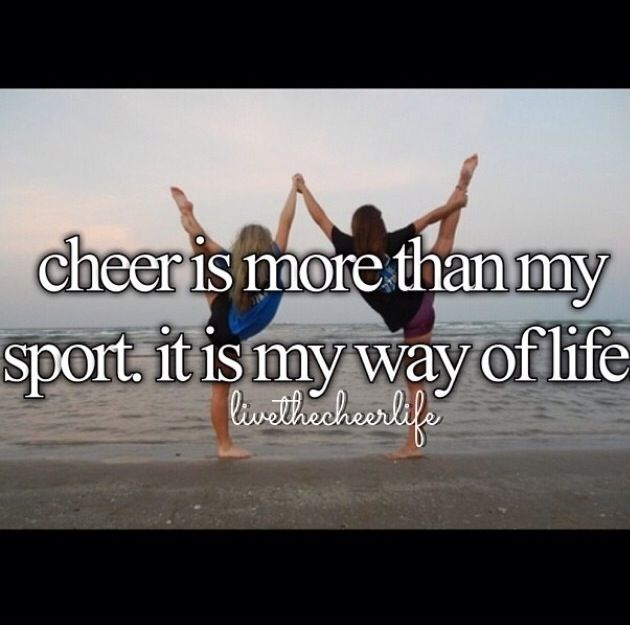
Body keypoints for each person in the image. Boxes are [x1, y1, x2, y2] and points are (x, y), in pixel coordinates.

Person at [296, 155, 479, 459]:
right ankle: (461, 184)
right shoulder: (388, 242)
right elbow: (428, 219)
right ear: (379, 227)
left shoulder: (346, 246)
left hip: (415, 320)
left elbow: (320, 218)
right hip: (420, 297)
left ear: (357, 228)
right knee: (443, 243)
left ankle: (412, 446)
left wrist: (304, 189)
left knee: (415, 385)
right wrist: (456, 203)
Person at [170, 176, 299, 459]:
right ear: (265, 243)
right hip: (227, 332)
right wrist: (294, 190)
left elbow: (202, 239)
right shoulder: (274, 258)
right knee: (220, 391)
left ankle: (186, 213)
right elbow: (285, 222)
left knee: (204, 254)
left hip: (222, 315)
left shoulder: (233, 260)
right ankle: (224, 446)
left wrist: (188, 216)